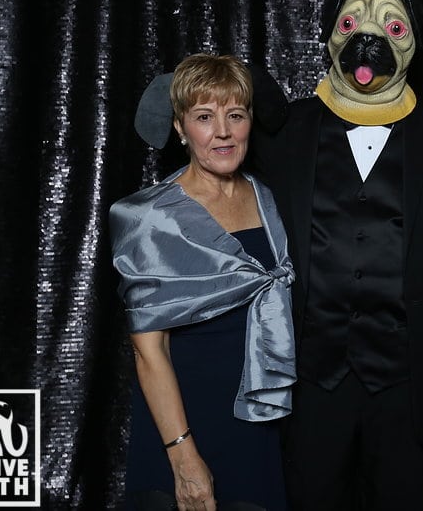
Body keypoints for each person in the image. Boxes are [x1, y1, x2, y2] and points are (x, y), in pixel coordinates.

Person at [254, 0, 423, 510]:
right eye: (352, 24)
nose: (369, 38)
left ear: (414, 43)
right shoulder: (288, 129)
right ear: (330, 36)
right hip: (311, 377)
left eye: (392, 27)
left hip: (412, 377)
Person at [110, 53, 295, 511]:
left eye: (236, 115)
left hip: (256, 424)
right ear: (180, 127)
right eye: (205, 117)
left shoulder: (270, 199)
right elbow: (149, 351)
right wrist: (183, 456)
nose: (223, 132)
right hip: (182, 424)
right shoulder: (149, 217)